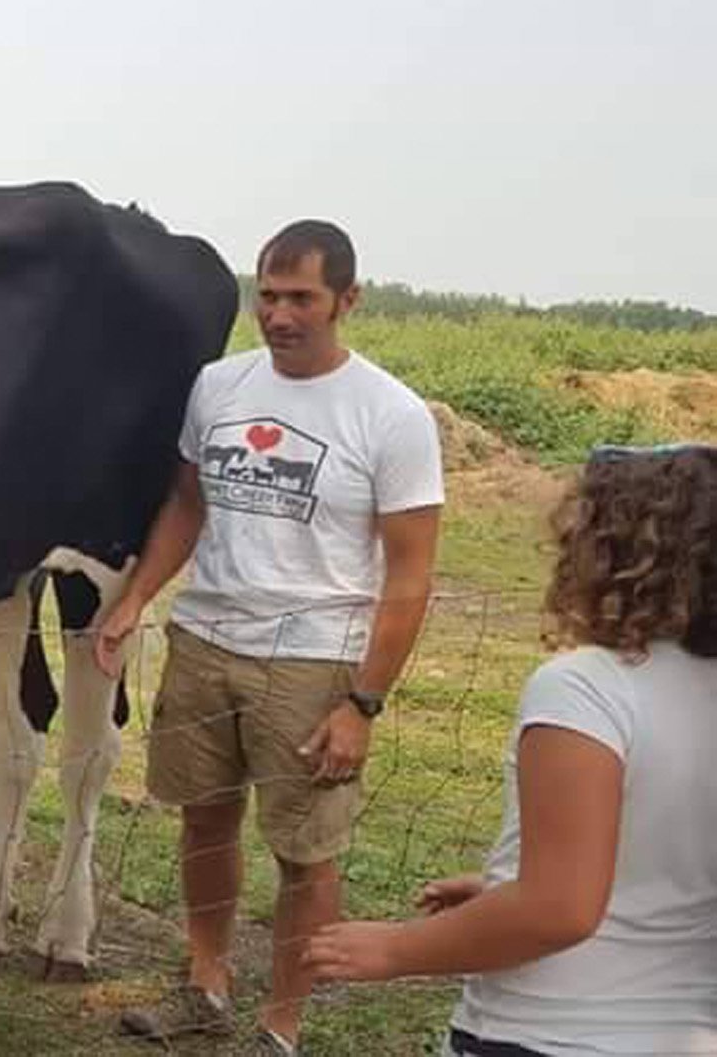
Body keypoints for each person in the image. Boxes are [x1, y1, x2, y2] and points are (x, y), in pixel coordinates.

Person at [93, 219, 445, 1055]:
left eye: (302, 299)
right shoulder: (218, 386)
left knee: (303, 851)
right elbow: (188, 502)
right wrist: (138, 596)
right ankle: (205, 984)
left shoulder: (391, 416)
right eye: (269, 296)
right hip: (206, 639)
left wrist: (363, 702)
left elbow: (410, 575)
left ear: (348, 300)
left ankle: (281, 1025)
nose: (280, 316)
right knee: (204, 821)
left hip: (313, 659)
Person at [304, 443, 717, 1056]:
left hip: (550, 1032)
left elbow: (559, 909)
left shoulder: (588, 688)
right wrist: (504, 885)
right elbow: (671, 866)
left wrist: (395, 949)